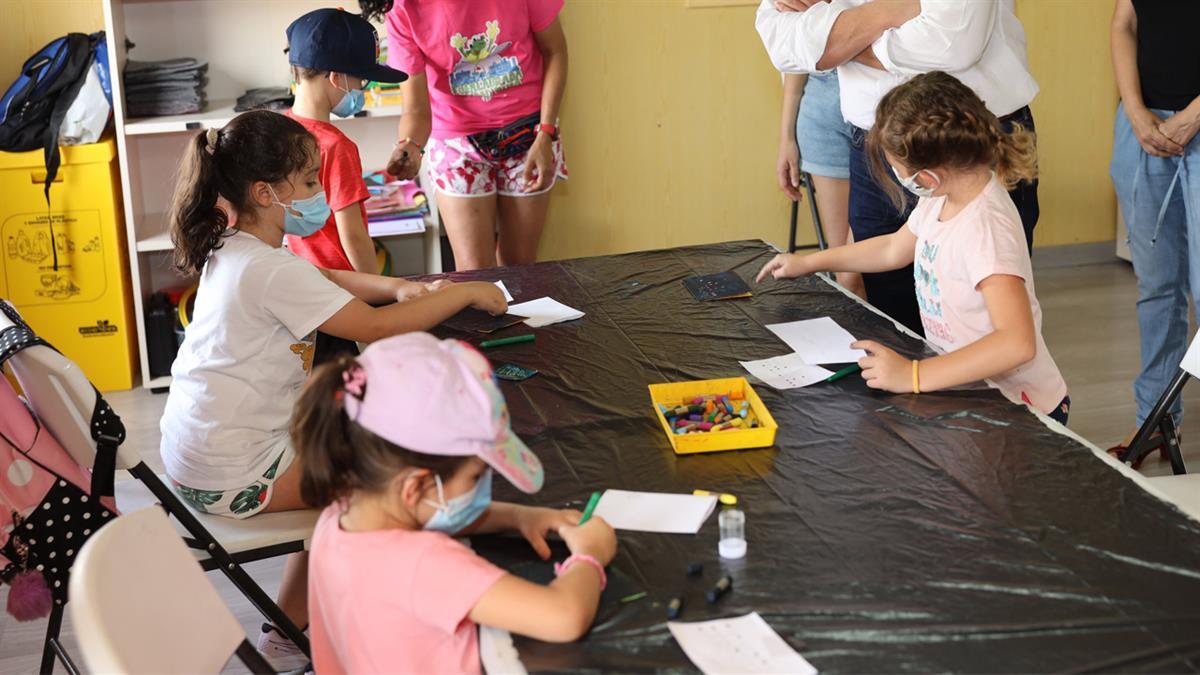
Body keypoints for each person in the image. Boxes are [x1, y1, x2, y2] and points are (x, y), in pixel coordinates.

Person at [160, 110, 507, 667]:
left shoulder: (238, 246)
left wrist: (398, 287)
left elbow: (325, 278)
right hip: (235, 472)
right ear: (265, 193)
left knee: (352, 446)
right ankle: (384, 621)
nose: (320, 194)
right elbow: (371, 330)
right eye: (309, 183)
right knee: (391, 481)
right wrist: (466, 293)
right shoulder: (269, 270)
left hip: (194, 454)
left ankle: (288, 631)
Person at [757, 72, 1070, 425]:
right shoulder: (944, 198)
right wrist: (810, 262)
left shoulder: (986, 230)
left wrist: (913, 375)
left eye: (897, 167)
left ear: (927, 176)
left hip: (1020, 408)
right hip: (970, 390)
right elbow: (893, 249)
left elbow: (1017, 344)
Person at [296, 334, 617, 673]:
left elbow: (444, 512)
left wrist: (520, 516)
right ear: (416, 485)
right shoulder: (424, 564)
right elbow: (563, 616)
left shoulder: (340, 514)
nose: (482, 489)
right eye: (476, 477)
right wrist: (589, 555)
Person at [757, 0, 1040, 336]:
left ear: (925, 177)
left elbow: (952, 44)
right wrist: (891, 11)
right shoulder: (931, 194)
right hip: (875, 138)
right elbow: (781, 40)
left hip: (963, 135)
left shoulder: (977, 204)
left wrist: (837, 37)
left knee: (975, 307)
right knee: (890, 314)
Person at [361, 0, 568, 271]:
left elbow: (555, 52)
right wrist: (410, 145)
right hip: (455, 142)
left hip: (531, 134)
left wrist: (546, 132)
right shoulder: (402, 8)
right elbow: (415, 108)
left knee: (520, 267)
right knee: (474, 272)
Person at [1108, 0, 1200, 466]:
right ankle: (1158, 421)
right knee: (1158, 286)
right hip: (1144, 127)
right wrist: (1134, 109)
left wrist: (1192, 117)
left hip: (1192, 120)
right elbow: (1125, 21)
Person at [284, 8, 409, 274]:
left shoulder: (279, 131)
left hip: (303, 279)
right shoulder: (334, 146)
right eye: (361, 80)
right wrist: (379, 288)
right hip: (345, 288)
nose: (360, 90)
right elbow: (353, 236)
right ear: (335, 77)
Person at [777, 71, 864, 298]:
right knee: (848, 276)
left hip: (883, 115)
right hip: (823, 120)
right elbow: (796, 62)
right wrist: (786, 139)